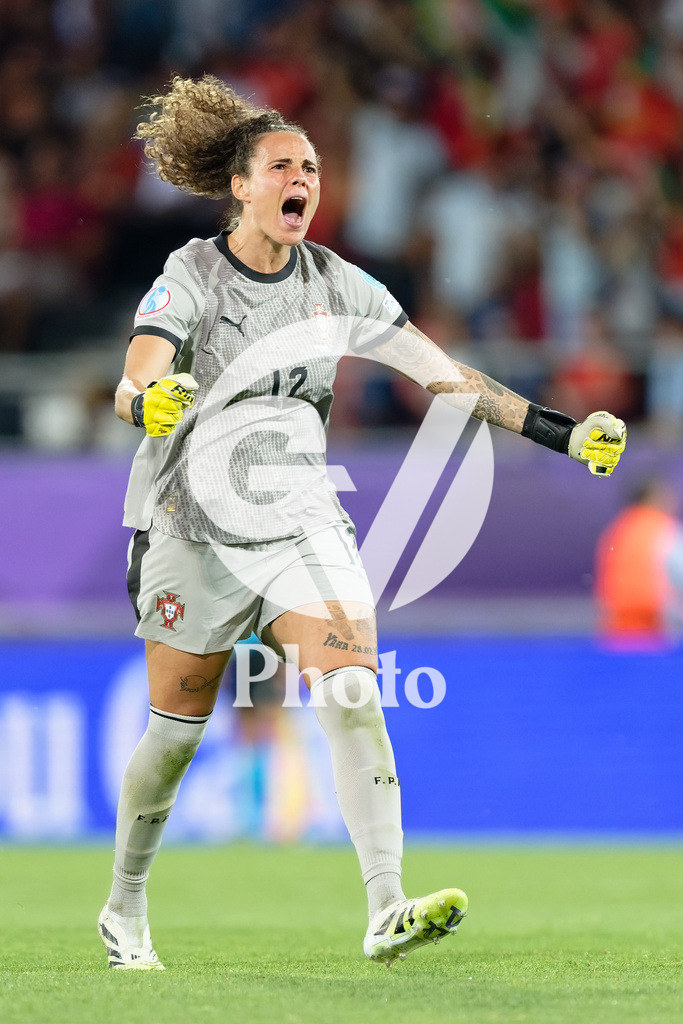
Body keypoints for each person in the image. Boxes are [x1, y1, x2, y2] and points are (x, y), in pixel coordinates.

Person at [99, 75, 627, 971]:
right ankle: (125, 905)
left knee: (349, 691)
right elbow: (135, 374)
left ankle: (386, 904)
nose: (301, 177)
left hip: (302, 518)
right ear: (240, 183)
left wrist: (561, 431)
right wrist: (146, 401)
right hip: (190, 524)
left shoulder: (335, 283)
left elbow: (443, 374)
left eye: (310, 166)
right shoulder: (189, 273)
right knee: (176, 736)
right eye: (281, 165)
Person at [594, 479, 683, 640]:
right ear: (654, 498)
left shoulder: (618, 530)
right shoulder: (665, 528)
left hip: (617, 620)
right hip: (656, 620)